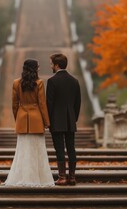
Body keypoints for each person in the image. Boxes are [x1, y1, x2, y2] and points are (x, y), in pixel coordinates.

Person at [4, 59, 55, 187]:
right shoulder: (39, 83)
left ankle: (21, 177)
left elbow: (14, 105)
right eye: (37, 67)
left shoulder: (16, 83)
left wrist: (18, 118)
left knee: (22, 151)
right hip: (36, 119)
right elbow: (42, 104)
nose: (39, 68)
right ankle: (38, 178)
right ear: (34, 69)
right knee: (37, 151)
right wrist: (47, 122)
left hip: (22, 117)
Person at [46, 53, 81, 186]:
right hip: (70, 120)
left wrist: (47, 121)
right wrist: (74, 118)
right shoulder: (75, 81)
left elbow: (49, 103)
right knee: (71, 148)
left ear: (56, 65)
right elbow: (78, 103)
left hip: (56, 121)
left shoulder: (52, 81)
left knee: (59, 149)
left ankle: (62, 177)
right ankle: (72, 177)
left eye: (51, 64)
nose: (50, 66)